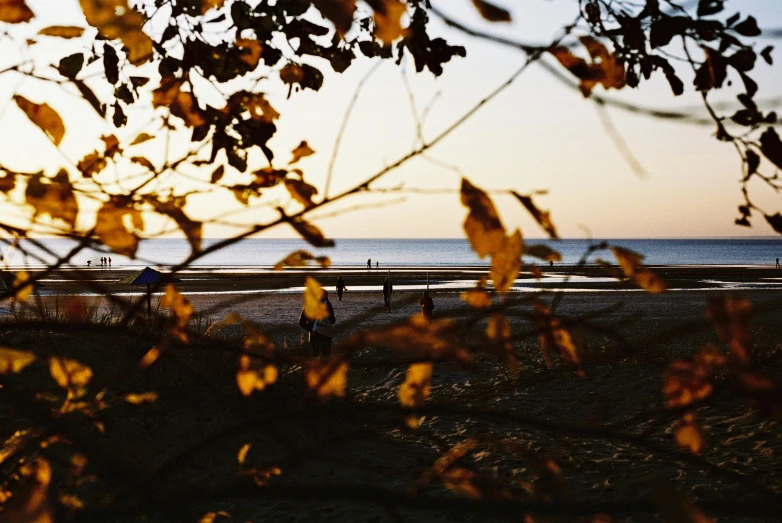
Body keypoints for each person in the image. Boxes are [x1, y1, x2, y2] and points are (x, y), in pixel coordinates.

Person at [299, 289, 336, 357]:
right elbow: (302, 322)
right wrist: (311, 329)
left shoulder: (327, 305)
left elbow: (333, 320)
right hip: (318, 335)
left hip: (324, 335)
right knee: (318, 355)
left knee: (323, 356)